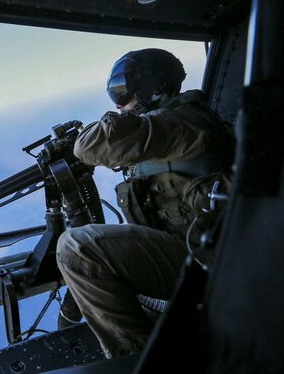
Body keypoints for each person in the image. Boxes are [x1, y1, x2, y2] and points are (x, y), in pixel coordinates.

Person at [56, 48, 234, 358]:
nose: (119, 103)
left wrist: (78, 142)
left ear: (154, 87)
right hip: (197, 253)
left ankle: (135, 361)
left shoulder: (185, 121)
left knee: (77, 248)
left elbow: (94, 145)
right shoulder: (169, 128)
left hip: (218, 262)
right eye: (115, 94)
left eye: (123, 92)